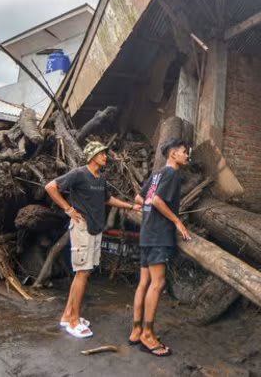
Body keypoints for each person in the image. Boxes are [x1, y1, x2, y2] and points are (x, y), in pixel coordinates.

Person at [45, 140, 141, 339]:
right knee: (82, 273)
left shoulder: (100, 179)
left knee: (85, 272)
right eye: (101, 153)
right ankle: (74, 322)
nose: (105, 156)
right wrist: (68, 209)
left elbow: (108, 199)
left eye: (105, 153)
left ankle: (67, 316)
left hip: (95, 229)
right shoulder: (79, 174)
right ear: (92, 156)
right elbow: (51, 187)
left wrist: (131, 206)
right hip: (82, 227)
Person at [128, 138, 192, 357]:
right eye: (184, 152)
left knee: (144, 282)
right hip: (159, 235)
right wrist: (176, 221)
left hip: (147, 233)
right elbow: (155, 201)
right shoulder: (172, 174)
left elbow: (139, 198)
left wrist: (146, 215)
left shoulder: (156, 174)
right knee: (158, 283)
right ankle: (148, 333)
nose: (187, 155)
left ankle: (136, 330)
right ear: (173, 154)